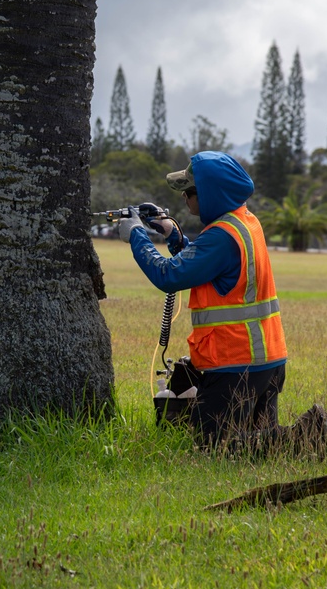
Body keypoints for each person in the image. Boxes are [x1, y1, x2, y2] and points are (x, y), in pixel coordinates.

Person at [117, 151, 287, 448]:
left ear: (211, 194)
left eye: (189, 191)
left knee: (215, 448)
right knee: (261, 446)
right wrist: (172, 232)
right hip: (268, 362)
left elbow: (168, 275)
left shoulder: (221, 236)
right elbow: (210, 263)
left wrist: (136, 235)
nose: (184, 197)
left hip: (236, 365)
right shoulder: (245, 223)